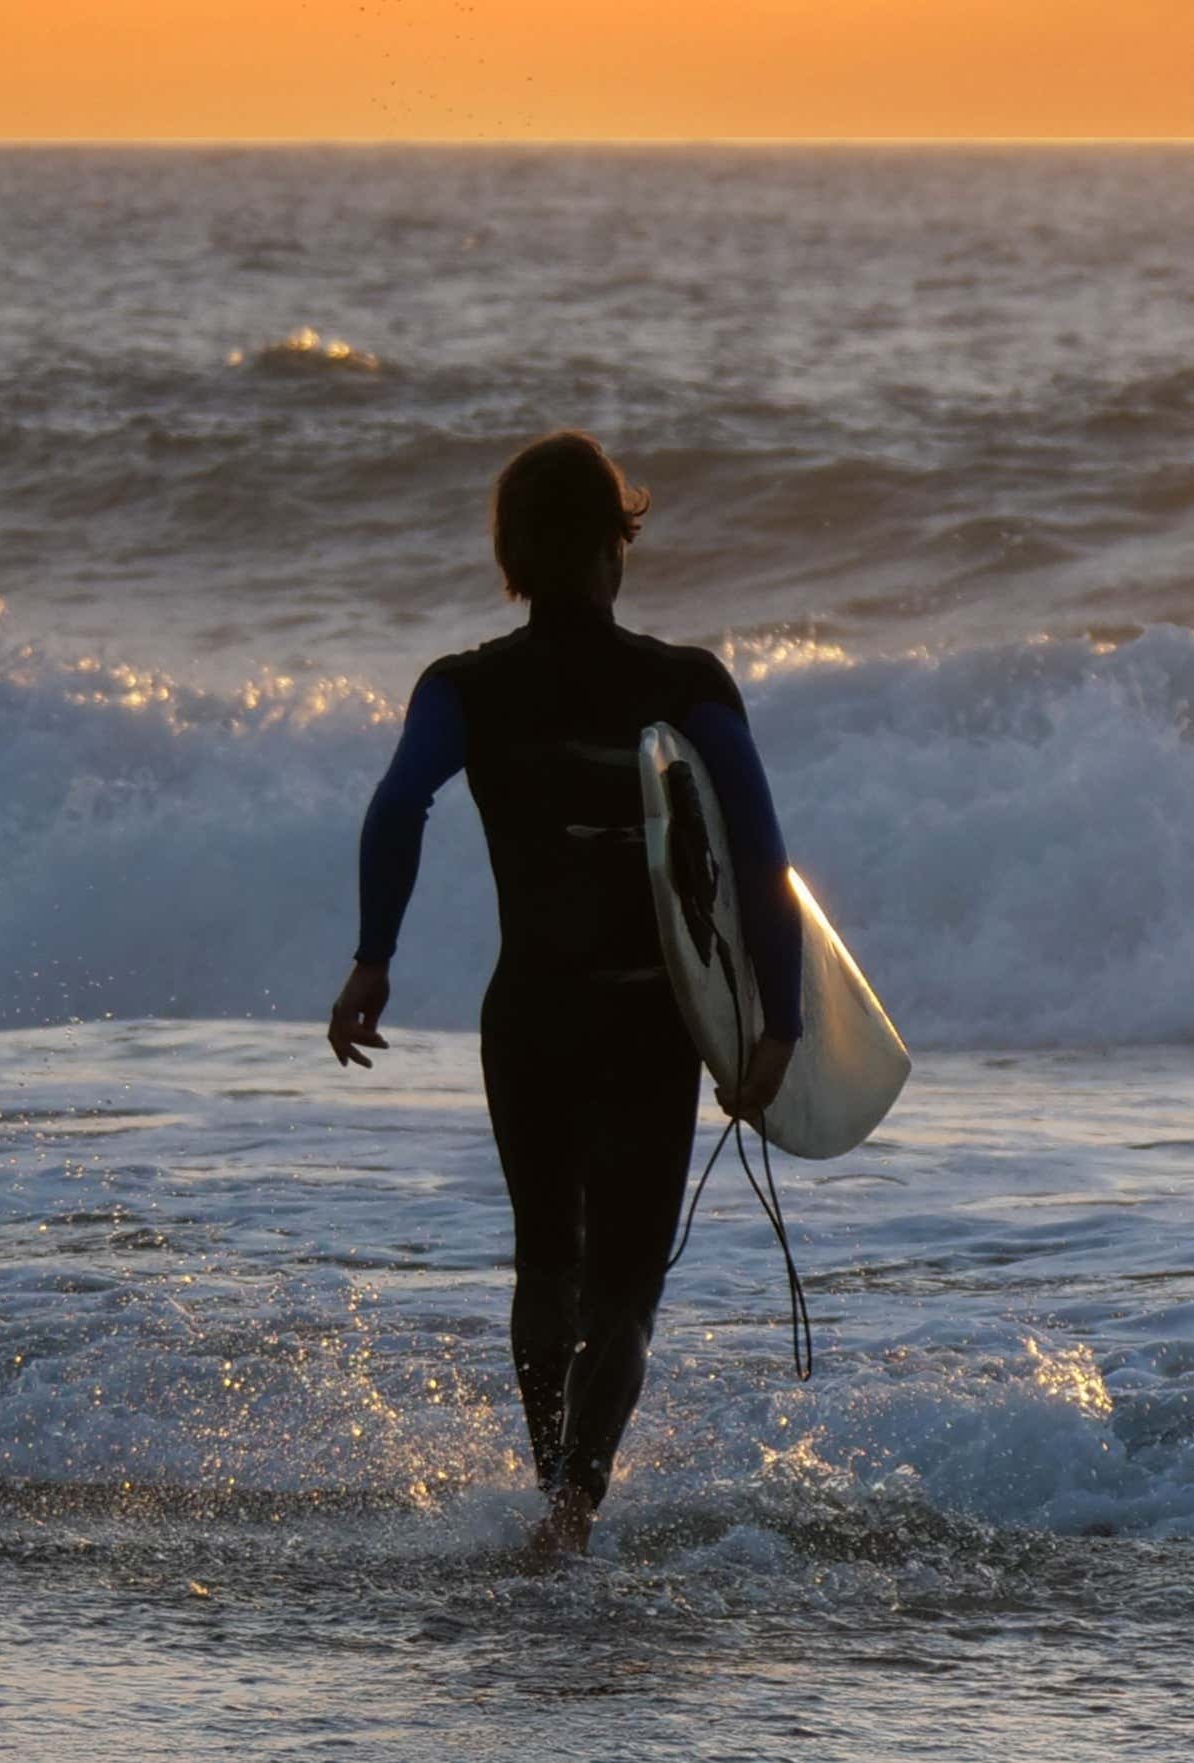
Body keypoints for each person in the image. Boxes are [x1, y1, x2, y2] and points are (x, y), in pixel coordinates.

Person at [325, 431, 801, 1569]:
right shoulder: (684, 681)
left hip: (528, 1012)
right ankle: (573, 1514)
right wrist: (776, 1021)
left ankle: (554, 1498)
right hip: (647, 1018)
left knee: (547, 1261)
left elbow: (399, 805)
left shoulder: (466, 686)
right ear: (609, 545)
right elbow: (759, 842)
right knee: (626, 1291)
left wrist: (372, 958)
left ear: (513, 557)